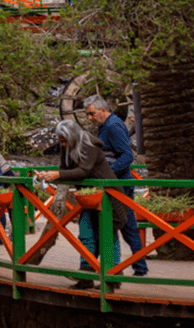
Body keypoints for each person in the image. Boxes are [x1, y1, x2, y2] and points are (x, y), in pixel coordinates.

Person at [37, 119, 129, 291]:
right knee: (86, 234)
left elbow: (83, 170)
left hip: (108, 196)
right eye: (60, 140)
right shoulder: (67, 148)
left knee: (108, 235)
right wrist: (51, 174)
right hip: (88, 197)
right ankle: (86, 275)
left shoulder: (90, 146)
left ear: (72, 137)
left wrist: (57, 174)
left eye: (64, 140)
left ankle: (113, 276)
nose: (62, 143)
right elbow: (64, 169)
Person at [84, 95, 148, 277]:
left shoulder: (113, 126)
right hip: (113, 185)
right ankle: (96, 267)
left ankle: (136, 270)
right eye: (87, 115)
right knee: (113, 227)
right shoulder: (107, 126)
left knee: (126, 227)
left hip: (119, 186)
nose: (90, 118)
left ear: (103, 110)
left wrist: (108, 173)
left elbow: (127, 156)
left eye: (92, 113)